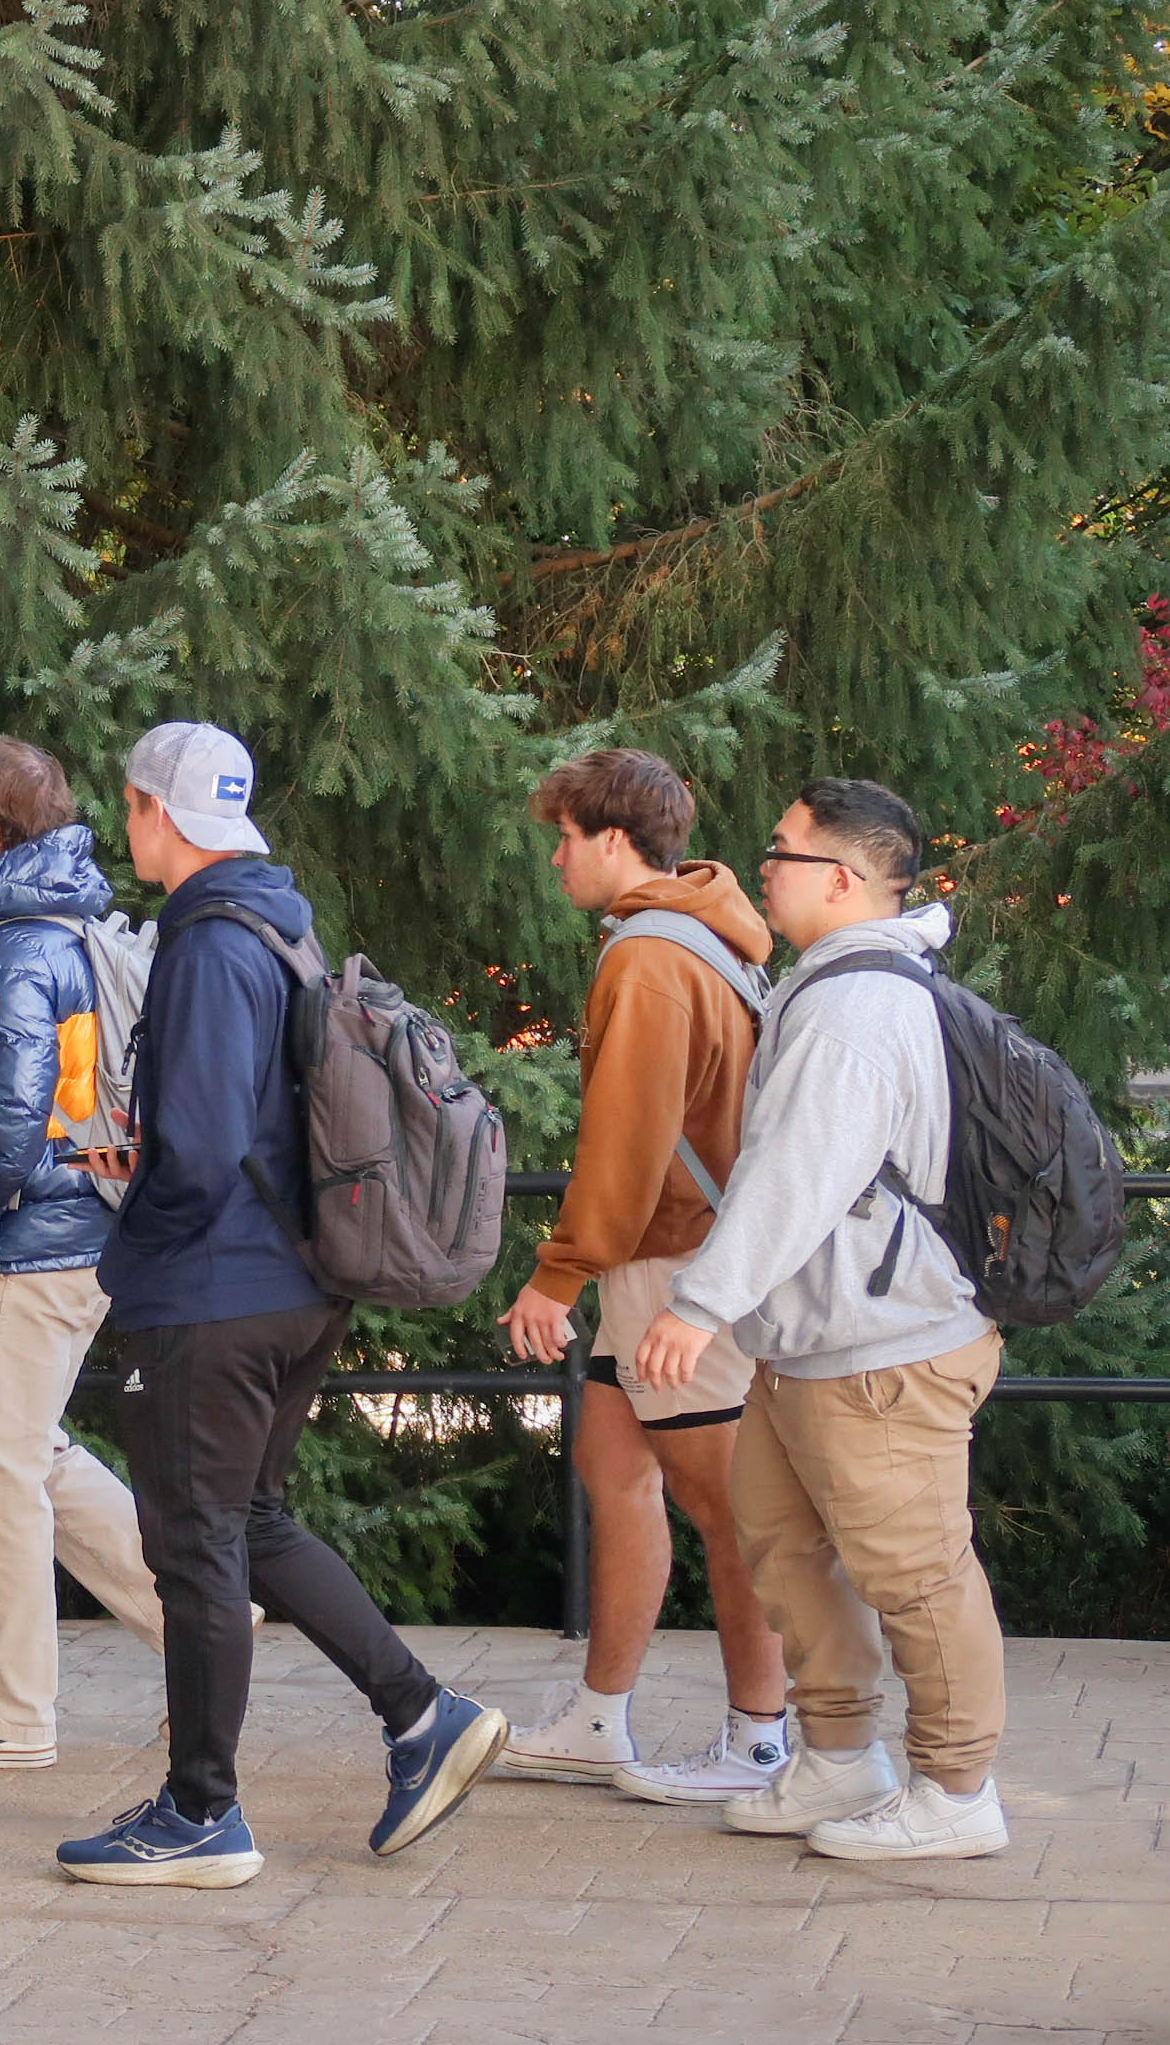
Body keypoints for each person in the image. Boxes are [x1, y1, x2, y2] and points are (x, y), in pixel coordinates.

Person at [56, 724, 502, 1888]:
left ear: (156, 810)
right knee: (247, 1520)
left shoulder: (206, 940)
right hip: (299, 1284)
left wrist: (127, 1249)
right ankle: (422, 1715)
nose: (130, 828)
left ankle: (201, 1811)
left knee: (194, 1545)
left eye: (133, 807)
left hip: (212, 1292)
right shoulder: (279, 922)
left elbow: (199, 1149)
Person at [634, 777, 1009, 1861]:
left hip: (884, 1346)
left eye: (781, 850)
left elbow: (796, 1174)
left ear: (842, 878)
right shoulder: (837, 983)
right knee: (783, 1546)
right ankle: (841, 1755)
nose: (763, 864)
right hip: (817, 1342)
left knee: (916, 1572)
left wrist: (698, 1302)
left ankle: (956, 1789)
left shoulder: (857, 1006)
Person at [495, 750, 791, 1799]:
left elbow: (629, 1136)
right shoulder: (693, 936)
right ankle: (598, 1717)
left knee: (731, 1507)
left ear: (612, 840)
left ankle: (762, 1740)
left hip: (676, 1263)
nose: (555, 857)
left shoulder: (649, 959)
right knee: (613, 1464)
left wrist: (557, 1273)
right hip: (673, 1254)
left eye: (564, 837)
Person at [0, 738, 165, 1774]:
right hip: (77, 1229)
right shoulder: (65, 925)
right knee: (31, 1452)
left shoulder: (11, 944)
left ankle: (7, 1714)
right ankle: (196, 1613)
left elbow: (11, 1121)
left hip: (25, 1239)